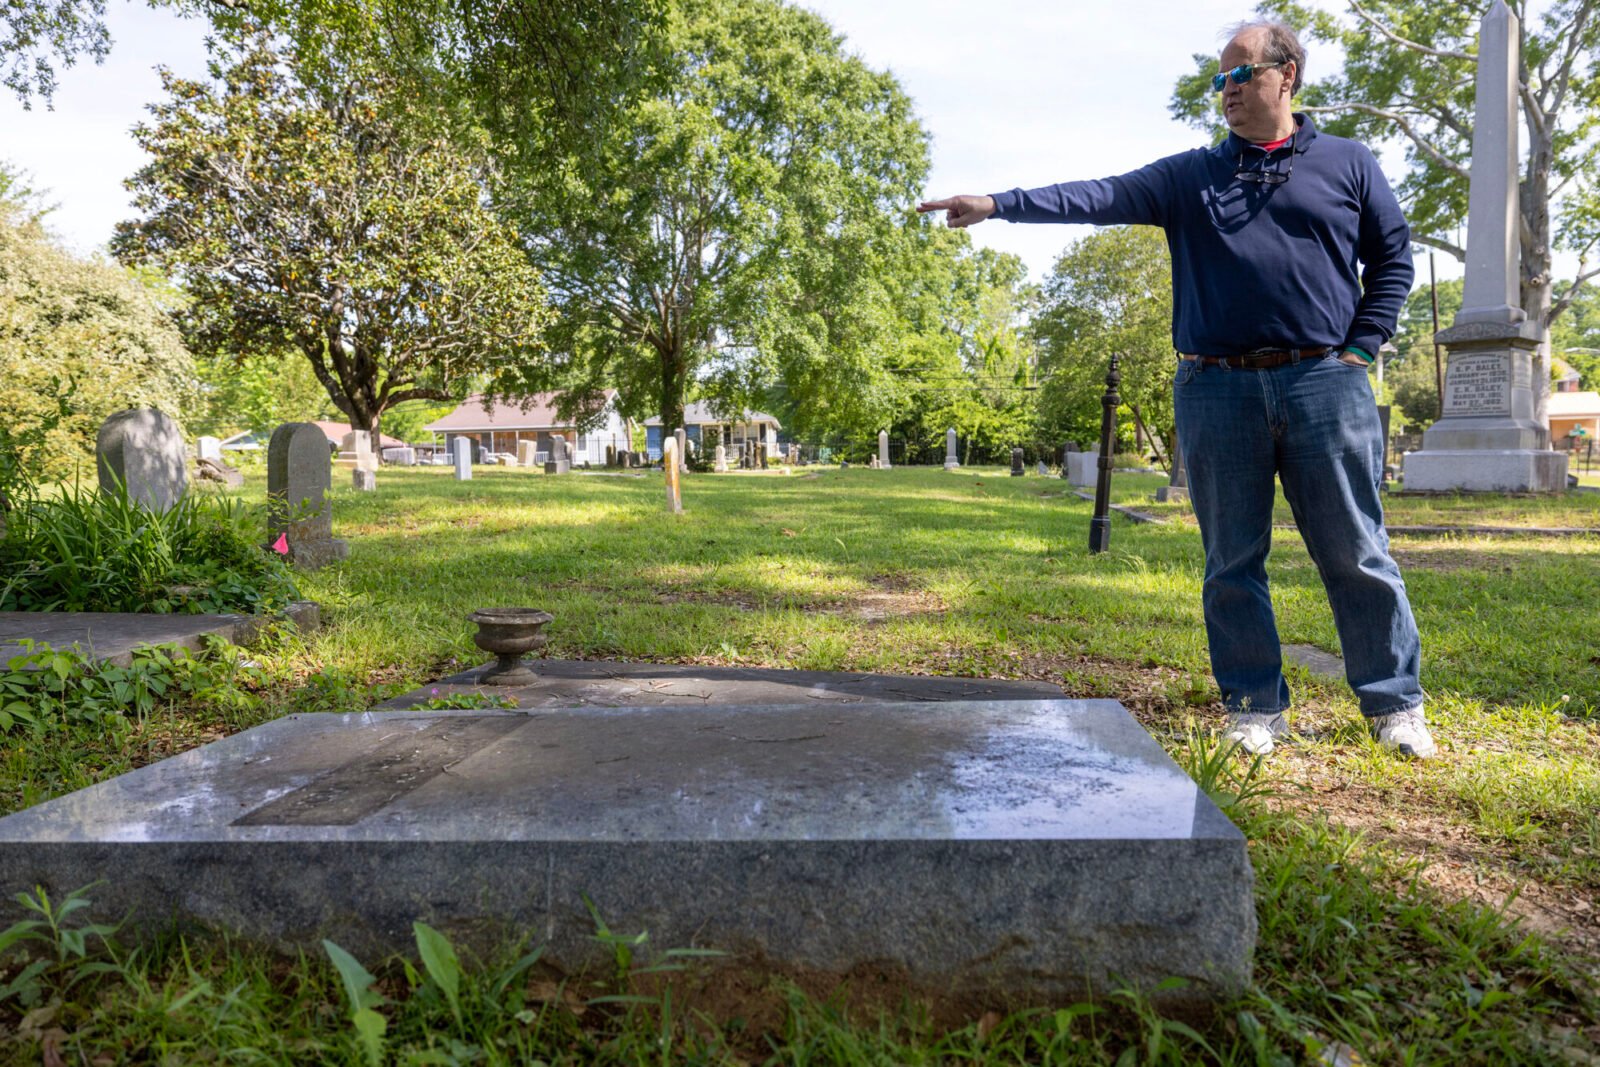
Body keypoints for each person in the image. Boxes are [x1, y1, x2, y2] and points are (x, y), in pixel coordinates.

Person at [918, 19, 1435, 759]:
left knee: (1356, 550)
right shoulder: (1192, 174)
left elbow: (1392, 259)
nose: (1222, 91)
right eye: (1216, 80)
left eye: (1238, 75)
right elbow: (1097, 194)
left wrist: (1362, 345)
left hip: (1327, 383)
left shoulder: (1349, 164)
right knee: (1231, 559)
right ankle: (1255, 706)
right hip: (1216, 390)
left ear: (1285, 75)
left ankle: (1394, 704)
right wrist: (998, 203)